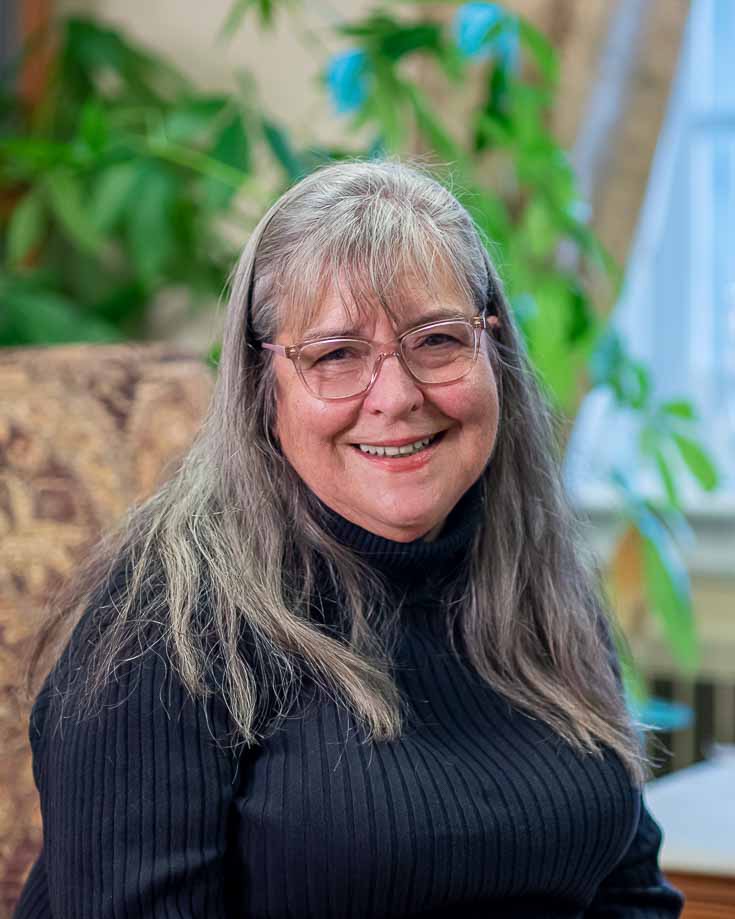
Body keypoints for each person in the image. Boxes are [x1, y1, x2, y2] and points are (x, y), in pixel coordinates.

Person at [14, 159, 684, 919]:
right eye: (335, 355)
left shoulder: (531, 573)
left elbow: (629, 894)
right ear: (263, 387)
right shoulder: (161, 629)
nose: (396, 396)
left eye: (437, 340)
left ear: (493, 350)